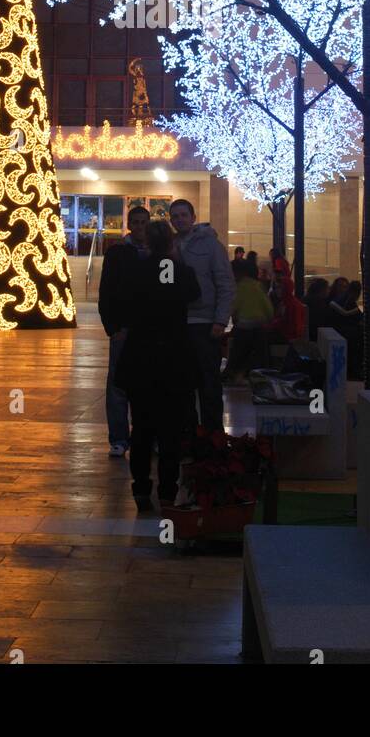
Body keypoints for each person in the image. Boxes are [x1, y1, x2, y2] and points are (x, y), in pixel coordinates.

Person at [113, 219, 199, 511]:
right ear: (172, 242)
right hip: (173, 358)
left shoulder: (137, 271)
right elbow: (193, 294)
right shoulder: (180, 271)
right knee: (170, 431)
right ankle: (166, 490)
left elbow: (125, 301)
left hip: (141, 357)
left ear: (147, 242)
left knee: (142, 428)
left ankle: (140, 489)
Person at [169, 198, 235, 431]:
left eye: (183, 215)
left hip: (205, 323)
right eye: (175, 216)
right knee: (184, 384)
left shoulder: (211, 245)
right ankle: (189, 435)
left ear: (193, 217)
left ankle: (212, 437)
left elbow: (225, 283)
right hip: (179, 324)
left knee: (209, 384)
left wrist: (220, 319)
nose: (179, 220)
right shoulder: (171, 245)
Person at [97, 204, 151, 457]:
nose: (140, 227)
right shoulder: (117, 254)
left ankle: (146, 435)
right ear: (130, 225)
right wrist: (112, 327)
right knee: (118, 384)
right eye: (136, 222)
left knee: (149, 384)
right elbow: (106, 291)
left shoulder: (159, 254)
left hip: (150, 329)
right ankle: (119, 437)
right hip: (124, 329)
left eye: (144, 222)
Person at [223, 263, 275, 383]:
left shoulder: (238, 287)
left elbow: (234, 306)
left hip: (243, 325)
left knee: (238, 351)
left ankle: (232, 373)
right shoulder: (258, 286)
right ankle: (261, 376)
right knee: (260, 353)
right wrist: (268, 318)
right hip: (259, 326)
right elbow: (268, 307)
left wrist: (230, 317)